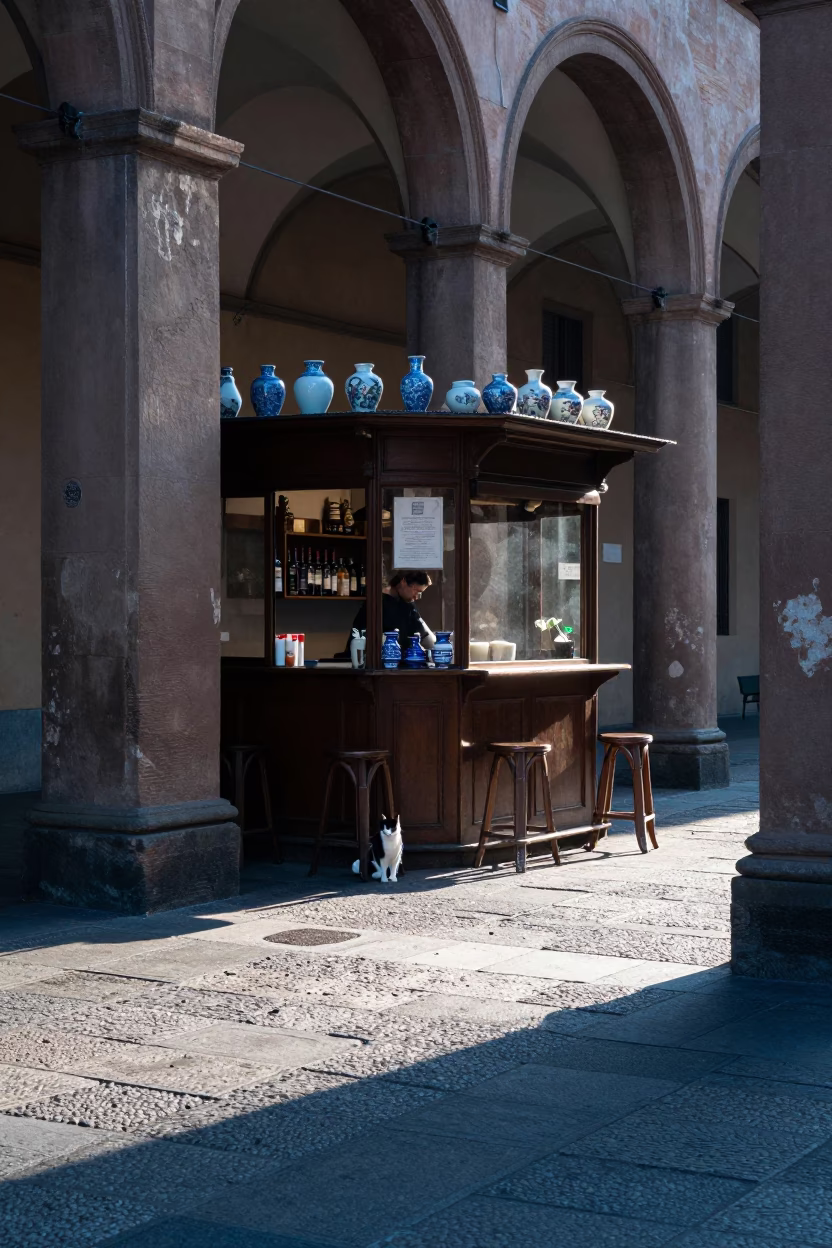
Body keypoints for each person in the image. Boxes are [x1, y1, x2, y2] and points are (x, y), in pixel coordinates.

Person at [347, 570, 436, 655]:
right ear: (403, 582)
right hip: (376, 657)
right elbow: (359, 636)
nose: (416, 597)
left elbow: (423, 632)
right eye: (416, 591)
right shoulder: (377, 602)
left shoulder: (408, 604)